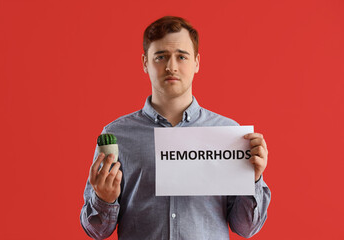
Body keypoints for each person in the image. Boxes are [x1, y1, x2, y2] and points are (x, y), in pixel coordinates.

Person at [80, 16, 271, 240]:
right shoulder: (117, 136)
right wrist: (104, 199)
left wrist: (253, 180)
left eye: (181, 56)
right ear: (145, 63)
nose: (171, 67)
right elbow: (96, 231)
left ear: (197, 62)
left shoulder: (229, 135)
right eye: (160, 57)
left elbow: (246, 228)